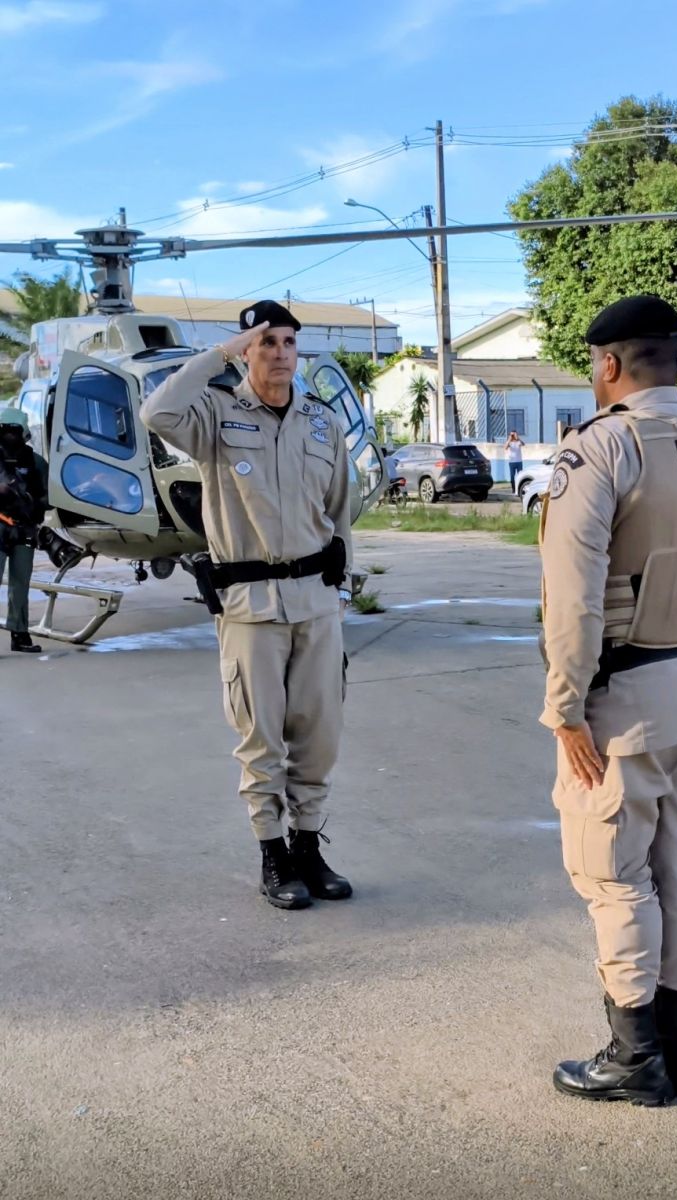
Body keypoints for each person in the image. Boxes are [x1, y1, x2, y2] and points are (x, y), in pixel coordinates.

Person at [539, 295, 677, 1107]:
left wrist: (564, 709)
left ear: (608, 364)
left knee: (616, 877)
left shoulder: (600, 448)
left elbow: (574, 599)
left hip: (626, 698)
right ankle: (675, 1049)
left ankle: (634, 1059)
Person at [141, 300, 354, 910]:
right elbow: (156, 412)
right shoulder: (215, 414)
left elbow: (339, 511)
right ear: (246, 351)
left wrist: (341, 590)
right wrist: (219, 356)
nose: (281, 353)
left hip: (315, 603)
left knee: (319, 735)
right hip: (250, 606)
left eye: (288, 342)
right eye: (267, 342)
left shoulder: (321, 422)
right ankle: (271, 855)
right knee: (261, 740)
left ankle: (307, 848)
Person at [0, 408, 48, 654]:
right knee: (19, 583)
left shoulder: (35, 462)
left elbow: (50, 496)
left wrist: (31, 503)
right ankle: (19, 633)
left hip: (24, 528)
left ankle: (19, 633)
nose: (9, 435)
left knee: (21, 582)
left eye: (13, 430)